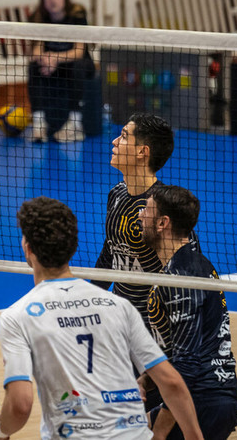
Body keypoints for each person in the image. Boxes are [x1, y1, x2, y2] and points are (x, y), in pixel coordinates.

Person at [0, 196, 204, 440]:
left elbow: (20, 405)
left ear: (28, 249)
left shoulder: (17, 317)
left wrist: (0, 431)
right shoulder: (119, 306)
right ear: (73, 247)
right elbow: (171, 382)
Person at [139, 185, 237, 439]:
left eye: (147, 210)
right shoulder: (185, 267)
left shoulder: (181, 277)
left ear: (162, 223)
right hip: (207, 397)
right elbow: (178, 350)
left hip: (203, 400)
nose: (140, 215)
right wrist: (146, 379)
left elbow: (186, 364)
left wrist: (159, 432)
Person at [94, 113, 175, 340]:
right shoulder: (116, 193)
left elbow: (184, 270)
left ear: (142, 152)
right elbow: (110, 252)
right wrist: (92, 299)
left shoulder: (164, 208)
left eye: (123, 136)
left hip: (156, 327)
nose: (114, 142)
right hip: (121, 321)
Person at [25, 0, 92, 143]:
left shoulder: (77, 15)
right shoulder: (39, 16)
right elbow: (36, 51)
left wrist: (54, 58)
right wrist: (45, 60)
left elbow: (79, 52)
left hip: (78, 64)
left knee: (77, 66)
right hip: (52, 65)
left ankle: (75, 125)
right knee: (33, 66)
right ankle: (39, 124)